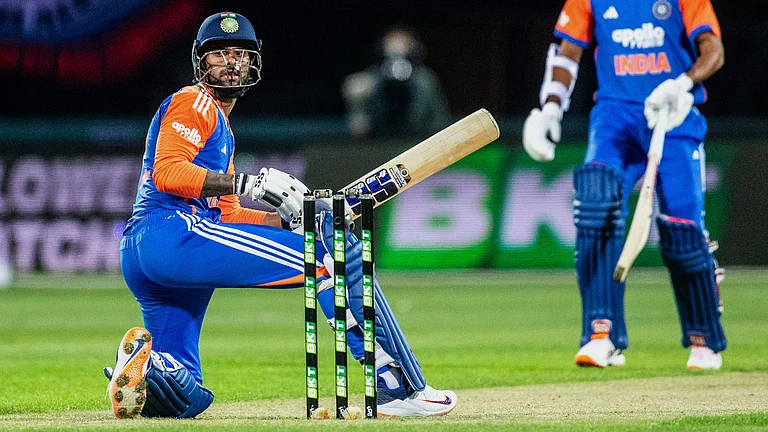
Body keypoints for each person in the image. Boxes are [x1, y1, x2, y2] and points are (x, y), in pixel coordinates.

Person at [105, 12, 457, 419]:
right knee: (332, 257)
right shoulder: (194, 101)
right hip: (172, 234)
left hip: (148, 251)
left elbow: (229, 217)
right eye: (220, 54)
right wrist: (248, 184)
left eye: (240, 53)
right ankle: (396, 387)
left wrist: (294, 219)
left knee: (186, 395)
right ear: (200, 62)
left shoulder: (220, 128)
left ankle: (146, 370)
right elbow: (168, 173)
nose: (231, 62)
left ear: (253, 62)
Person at [522, 0, 726, 370]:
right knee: (595, 206)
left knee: (684, 232)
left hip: (674, 116)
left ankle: (703, 340)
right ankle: (601, 336)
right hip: (615, 118)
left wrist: (683, 84)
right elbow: (567, 52)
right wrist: (551, 107)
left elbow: (714, 51)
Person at [341, 26, 451, 138]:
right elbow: (358, 125)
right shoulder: (371, 78)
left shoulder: (425, 79)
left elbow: (439, 119)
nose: (397, 52)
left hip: (415, 137)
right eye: (392, 46)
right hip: (379, 139)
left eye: (402, 45)